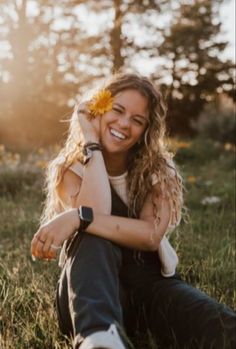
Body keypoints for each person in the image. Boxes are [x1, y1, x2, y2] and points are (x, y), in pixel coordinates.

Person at [31, 72, 236, 349]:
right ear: (99, 109)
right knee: (92, 236)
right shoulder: (72, 168)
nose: (124, 124)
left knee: (222, 325)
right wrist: (92, 142)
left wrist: (77, 217)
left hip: (150, 285)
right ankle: (99, 338)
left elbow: (150, 236)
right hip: (88, 292)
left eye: (137, 120)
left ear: (145, 130)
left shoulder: (158, 169)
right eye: (117, 110)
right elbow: (97, 212)